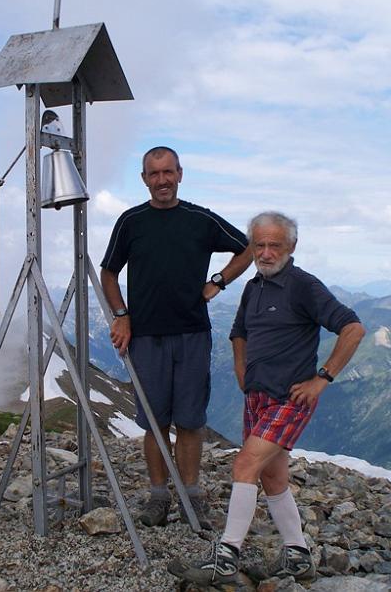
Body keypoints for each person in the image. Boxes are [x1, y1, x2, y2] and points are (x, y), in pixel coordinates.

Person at [168, 211, 366, 584]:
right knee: (273, 476)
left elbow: (353, 328)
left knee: (244, 466)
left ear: (292, 246)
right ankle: (298, 556)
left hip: (290, 398)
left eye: (275, 244)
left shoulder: (304, 286)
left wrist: (322, 379)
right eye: (259, 244)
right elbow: (238, 331)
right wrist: (241, 368)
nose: (266, 252)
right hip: (257, 397)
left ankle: (226, 557)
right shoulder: (253, 287)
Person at [100, 146, 252, 530]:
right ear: (144, 179)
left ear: (180, 174)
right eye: (154, 174)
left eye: (168, 172)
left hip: (192, 334)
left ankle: (191, 494)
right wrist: (121, 315)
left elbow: (247, 249)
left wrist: (218, 282)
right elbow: (108, 273)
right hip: (146, 336)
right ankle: (158, 497)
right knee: (154, 421)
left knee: (189, 419)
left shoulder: (199, 219)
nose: (162, 180)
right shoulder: (130, 221)